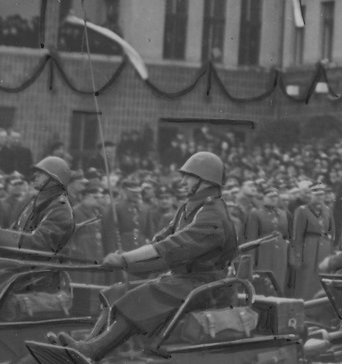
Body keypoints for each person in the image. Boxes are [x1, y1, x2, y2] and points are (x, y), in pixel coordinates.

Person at [50, 151, 238, 363]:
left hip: (209, 286)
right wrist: (127, 263)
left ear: (205, 181)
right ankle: (88, 344)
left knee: (144, 295)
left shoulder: (213, 214)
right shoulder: (189, 208)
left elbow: (171, 246)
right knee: (118, 291)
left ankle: (93, 350)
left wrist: (125, 259)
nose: (183, 181)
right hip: (186, 281)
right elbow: (161, 240)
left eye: (189, 176)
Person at [0, 156, 75, 255]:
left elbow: (39, 242)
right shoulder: (35, 201)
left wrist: (2, 236)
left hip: (38, 263)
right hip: (19, 259)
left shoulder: (60, 208)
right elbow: (16, 229)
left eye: (42, 173)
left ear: (54, 179)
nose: (35, 175)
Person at [290, 183, 334, 299]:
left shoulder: (327, 210)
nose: (320, 197)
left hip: (324, 248)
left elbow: (332, 231)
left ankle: (319, 306)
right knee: (307, 280)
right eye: (316, 195)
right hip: (309, 247)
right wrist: (297, 256)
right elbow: (297, 235)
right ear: (310, 195)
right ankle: (306, 304)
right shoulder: (302, 210)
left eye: (322, 194)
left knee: (321, 278)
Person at [246, 187, 291, 296]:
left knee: (279, 278)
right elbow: (251, 237)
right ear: (264, 198)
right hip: (263, 251)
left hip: (280, 252)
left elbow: (287, 234)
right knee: (264, 279)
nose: (273, 199)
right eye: (270, 197)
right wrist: (251, 259)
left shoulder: (284, 213)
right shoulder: (256, 213)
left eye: (275, 196)